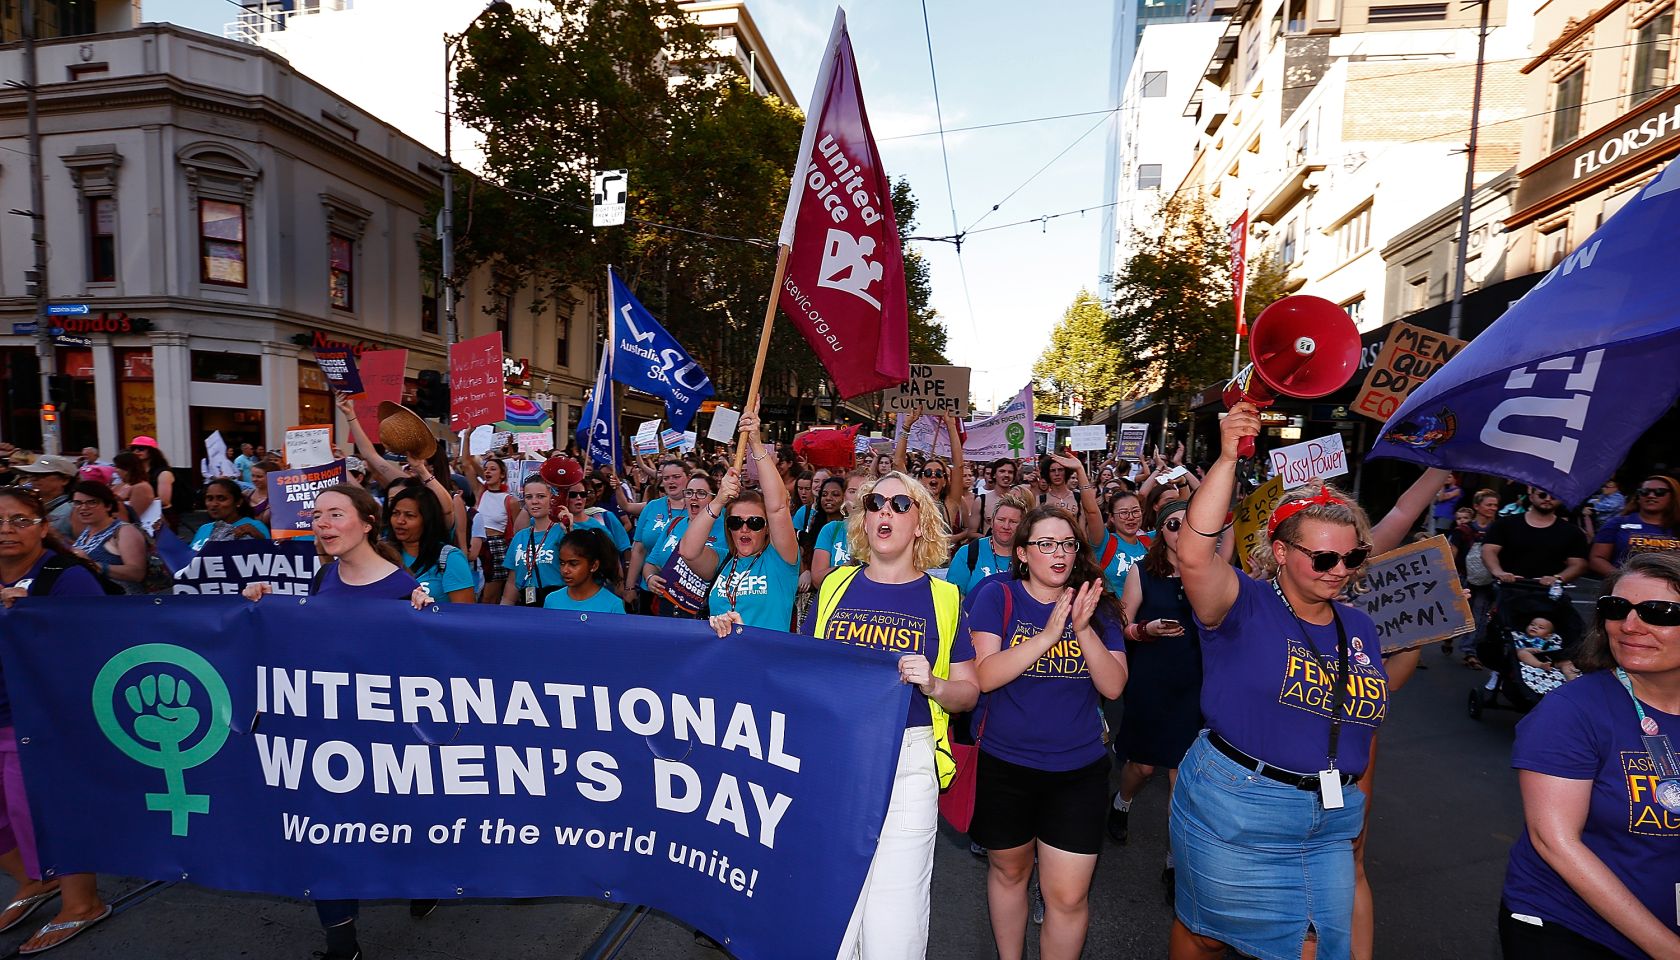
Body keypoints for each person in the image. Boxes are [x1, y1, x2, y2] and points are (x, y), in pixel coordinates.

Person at [1171, 401, 1387, 960]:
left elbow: (1367, 722)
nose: (1339, 569)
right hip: (1236, 806)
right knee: (1204, 934)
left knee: (1315, 947)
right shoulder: (1243, 603)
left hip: (1330, 820)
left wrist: (1358, 806)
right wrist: (1225, 457)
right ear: (1283, 552)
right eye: (1322, 558)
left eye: (1352, 556)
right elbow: (1194, 554)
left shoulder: (1359, 626)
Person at [243, 483, 428, 960]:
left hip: (381, 742)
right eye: (317, 515)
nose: (322, 524)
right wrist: (265, 607)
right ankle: (341, 941)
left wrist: (429, 618)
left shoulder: (401, 588)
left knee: (390, 829)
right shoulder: (323, 578)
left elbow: (423, 671)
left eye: (336, 514)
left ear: (368, 523)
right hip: (325, 740)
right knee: (324, 831)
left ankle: (423, 874)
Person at [803, 471, 979, 959]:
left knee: (895, 919)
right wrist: (733, 636)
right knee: (836, 908)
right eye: (876, 502)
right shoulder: (835, 587)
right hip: (836, 759)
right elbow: (796, 669)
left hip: (908, 763)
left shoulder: (943, 598)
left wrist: (934, 683)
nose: (885, 511)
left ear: (921, 524)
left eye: (901, 504)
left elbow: (969, 693)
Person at [1499, 551, 1680, 959]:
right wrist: (1668, 948)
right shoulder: (1571, 711)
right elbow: (1555, 841)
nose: (1630, 626)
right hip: (1575, 929)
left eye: (1660, 612)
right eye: (1616, 608)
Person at [966, 505, 1128, 960]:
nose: (1058, 553)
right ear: (1022, 553)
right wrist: (1045, 637)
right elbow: (983, 676)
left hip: (1077, 771)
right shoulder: (997, 597)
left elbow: (1113, 686)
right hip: (1005, 765)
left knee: (1068, 897)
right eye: (1046, 544)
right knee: (1009, 875)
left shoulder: (1097, 603)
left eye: (1067, 544)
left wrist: (1082, 628)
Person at [0, 489, 114, 955]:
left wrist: (31, 618)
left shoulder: (66, 577)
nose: (6, 528)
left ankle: (81, 903)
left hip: (38, 716)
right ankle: (33, 879)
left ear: (44, 527)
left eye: (19, 519)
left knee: (44, 812)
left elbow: (95, 642)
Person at [1109, 500, 1201, 879]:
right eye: (1173, 524)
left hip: (1195, 683)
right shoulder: (1142, 571)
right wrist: (1144, 631)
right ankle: (1122, 801)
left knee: (1182, 775)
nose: (1181, 531)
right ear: (1160, 531)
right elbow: (1122, 625)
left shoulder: (1212, 573)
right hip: (1150, 679)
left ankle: (1174, 862)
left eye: (1189, 524)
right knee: (1143, 766)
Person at [691, 410, 801, 634]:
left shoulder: (781, 560)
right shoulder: (722, 561)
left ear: (767, 528)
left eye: (754, 522)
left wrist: (756, 443)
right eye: (735, 522)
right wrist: (720, 499)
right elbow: (689, 551)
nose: (744, 528)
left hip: (766, 662)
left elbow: (778, 508)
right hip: (724, 663)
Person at [627, 460, 701, 612]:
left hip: (687, 594)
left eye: (676, 476)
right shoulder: (652, 506)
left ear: (688, 477)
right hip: (650, 589)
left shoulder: (698, 509)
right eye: (666, 478)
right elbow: (638, 550)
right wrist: (629, 587)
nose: (671, 482)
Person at [1482, 486, 1590, 589]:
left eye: (1553, 496)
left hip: (1549, 593)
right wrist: (1499, 572)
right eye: (1542, 495)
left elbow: (1578, 564)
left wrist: (1558, 578)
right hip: (1507, 588)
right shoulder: (1505, 523)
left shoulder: (1572, 531)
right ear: (1531, 496)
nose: (1548, 499)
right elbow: (1489, 550)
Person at [386, 485, 476, 604]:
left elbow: (464, 615)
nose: (400, 521)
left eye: (409, 515)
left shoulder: (450, 558)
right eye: (395, 513)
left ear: (427, 519)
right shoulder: (383, 554)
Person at [1589, 474, 1680, 576]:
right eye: (1644, 492)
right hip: (1627, 587)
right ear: (1638, 497)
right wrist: (1622, 578)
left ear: (1673, 497)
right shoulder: (1617, 524)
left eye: (1660, 492)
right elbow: (1597, 559)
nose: (1651, 495)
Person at [67, 482, 148, 595]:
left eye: (92, 502)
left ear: (108, 506)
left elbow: (137, 573)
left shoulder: (124, 531)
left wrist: (92, 565)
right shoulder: (88, 530)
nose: (83, 508)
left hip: (124, 603)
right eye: (77, 503)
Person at [1450, 488, 1502, 652]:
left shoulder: (1499, 529)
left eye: (1496, 505)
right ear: (1477, 506)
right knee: (1459, 614)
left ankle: (1469, 651)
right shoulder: (1463, 530)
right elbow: (1452, 553)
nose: (1493, 508)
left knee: (1479, 615)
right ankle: (1450, 637)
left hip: (1487, 579)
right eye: (1489, 504)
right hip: (1463, 576)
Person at [501, 476, 565, 607]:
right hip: (527, 604)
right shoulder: (520, 537)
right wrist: (504, 611)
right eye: (529, 497)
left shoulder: (562, 532)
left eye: (541, 496)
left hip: (558, 605)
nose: (534, 501)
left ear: (551, 499)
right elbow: (512, 582)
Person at [463, 452, 517, 604]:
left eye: (493, 469)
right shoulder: (480, 492)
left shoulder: (510, 500)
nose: (487, 471)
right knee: (475, 591)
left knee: (490, 597)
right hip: (476, 544)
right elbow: (466, 463)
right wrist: (467, 435)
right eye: (486, 469)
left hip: (497, 547)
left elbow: (517, 531)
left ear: (502, 475)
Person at [947, 496, 1026, 596]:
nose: (1006, 526)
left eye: (1013, 522)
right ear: (992, 522)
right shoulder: (968, 553)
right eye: (1001, 520)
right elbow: (953, 596)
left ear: (1022, 526)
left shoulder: (1029, 556)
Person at [542, 528, 626, 614]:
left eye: (573, 564)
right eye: (562, 563)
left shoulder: (613, 605)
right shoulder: (551, 600)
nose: (565, 570)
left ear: (594, 566)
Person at [811, 471, 868, 590]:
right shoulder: (831, 529)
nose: (858, 497)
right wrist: (849, 566)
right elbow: (817, 579)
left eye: (864, 491)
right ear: (844, 496)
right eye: (852, 491)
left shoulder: (881, 532)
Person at [189, 477, 270, 549]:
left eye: (221, 499)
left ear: (238, 502)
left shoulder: (255, 527)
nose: (214, 504)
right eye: (210, 499)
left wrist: (259, 538)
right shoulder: (204, 528)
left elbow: (269, 557)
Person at [12, 456, 76, 539]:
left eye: (42, 474)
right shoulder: (29, 506)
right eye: (32, 474)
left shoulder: (74, 511)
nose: (34, 478)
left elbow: (83, 548)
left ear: (65, 480)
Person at [126, 436, 175, 530]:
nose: (136, 451)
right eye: (133, 449)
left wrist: (142, 499)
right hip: (140, 514)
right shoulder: (134, 472)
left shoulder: (163, 473)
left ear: (152, 451)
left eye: (141, 448)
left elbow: (164, 500)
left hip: (161, 516)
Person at [110, 452, 161, 534]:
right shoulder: (120, 485)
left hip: (129, 532)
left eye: (117, 467)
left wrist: (119, 500)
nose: (115, 470)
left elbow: (133, 516)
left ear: (127, 469)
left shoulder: (141, 487)